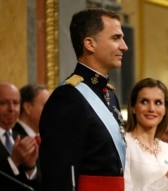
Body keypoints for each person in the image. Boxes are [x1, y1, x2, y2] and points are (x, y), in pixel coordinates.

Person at [39, 8, 128, 191]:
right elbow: (59, 174)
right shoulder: (68, 98)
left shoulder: (109, 95)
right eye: (115, 38)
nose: (124, 46)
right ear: (90, 44)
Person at [124, 78, 168, 191]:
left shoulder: (166, 148)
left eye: (158, 103)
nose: (151, 109)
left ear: (165, 110)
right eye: (144, 101)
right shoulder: (125, 144)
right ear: (133, 107)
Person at [0, 81, 41, 191]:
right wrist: (13, 161)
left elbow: (38, 186)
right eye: (4, 103)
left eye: (16, 103)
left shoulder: (23, 138)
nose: (11, 109)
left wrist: (30, 167)